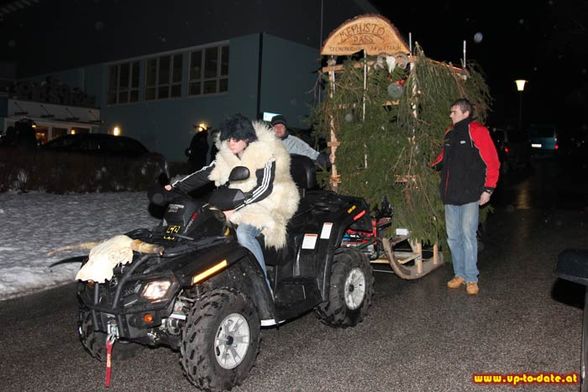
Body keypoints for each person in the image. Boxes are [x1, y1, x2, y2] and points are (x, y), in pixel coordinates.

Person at [167, 113, 300, 292]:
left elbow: (265, 188)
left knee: (245, 233)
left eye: (236, 139)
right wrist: (176, 187)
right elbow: (204, 173)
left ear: (246, 138)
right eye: (229, 138)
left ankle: (263, 284)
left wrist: (236, 207)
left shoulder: (265, 154)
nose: (231, 143)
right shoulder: (227, 155)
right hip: (239, 198)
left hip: (271, 201)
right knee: (205, 227)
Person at [432, 98, 500, 296]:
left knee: (468, 237)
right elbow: (442, 158)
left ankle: (471, 278)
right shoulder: (450, 133)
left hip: (470, 194)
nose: (451, 115)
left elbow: (492, 161)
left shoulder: (477, 131)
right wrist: (429, 166)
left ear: (465, 112)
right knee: (454, 238)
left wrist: (488, 189)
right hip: (450, 195)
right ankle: (459, 274)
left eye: (454, 111)